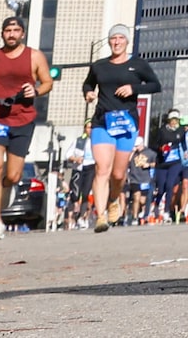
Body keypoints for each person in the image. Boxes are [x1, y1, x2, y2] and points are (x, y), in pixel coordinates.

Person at [0, 13, 46, 240]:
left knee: (12, 175)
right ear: (2, 34)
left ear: (22, 33)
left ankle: (2, 188)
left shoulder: (34, 56)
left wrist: (37, 90)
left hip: (23, 117)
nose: (11, 35)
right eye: (7, 31)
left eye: (15, 31)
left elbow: (48, 81)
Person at [79, 25, 161, 231]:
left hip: (126, 123)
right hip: (102, 122)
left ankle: (114, 198)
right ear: (109, 41)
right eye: (113, 38)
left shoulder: (137, 64)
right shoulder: (99, 66)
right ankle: (101, 216)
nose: (116, 42)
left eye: (120, 38)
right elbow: (88, 84)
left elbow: (155, 85)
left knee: (118, 174)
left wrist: (134, 88)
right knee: (102, 168)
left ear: (127, 41)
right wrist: (88, 94)